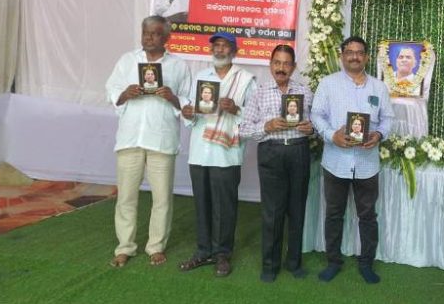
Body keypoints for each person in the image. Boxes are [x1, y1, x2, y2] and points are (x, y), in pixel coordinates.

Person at [105, 15, 191, 268]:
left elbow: (188, 103)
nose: (149, 38)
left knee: (162, 199)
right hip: (130, 139)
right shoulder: (127, 60)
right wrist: (124, 94)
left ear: (167, 37)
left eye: (155, 33)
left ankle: (156, 246)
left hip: (161, 140)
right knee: (126, 197)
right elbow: (111, 90)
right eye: (145, 33)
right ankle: (125, 247)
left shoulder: (178, 66)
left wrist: (172, 97)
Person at [311, 36, 394, 284]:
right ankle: (333, 262)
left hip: (367, 163)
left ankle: (366, 263)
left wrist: (378, 135)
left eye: (359, 52)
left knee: (368, 216)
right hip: (336, 161)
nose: (354, 56)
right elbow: (316, 114)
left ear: (366, 57)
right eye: (349, 52)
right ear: (342, 56)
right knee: (334, 214)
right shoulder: (328, 84)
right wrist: (331, 135)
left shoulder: (379, 88)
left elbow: (388, 118)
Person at [178, 31, 256, 277]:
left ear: (235, 51)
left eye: (225, 45)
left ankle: (222, 254)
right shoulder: (201, 77)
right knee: (202, 204)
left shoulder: (245, 79)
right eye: (216, 45)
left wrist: (236, 109)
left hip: (226, 153)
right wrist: (188, 113)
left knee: (225, 206)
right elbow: (191, 113)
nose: (220, 49)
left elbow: (255, 117)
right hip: (200, 151)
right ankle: (203, 251)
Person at [240, 44, 315, 283]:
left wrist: (310, 128)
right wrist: (267, 126)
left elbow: (315, 122)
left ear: (293, 67)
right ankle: (270, 266)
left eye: (286, 64)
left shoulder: (305, 91)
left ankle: (294, 263)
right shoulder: (259, 93)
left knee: (297, 209)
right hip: (271, 152)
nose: (281, 68)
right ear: (270, 65)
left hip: (298, 151)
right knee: (272, 212)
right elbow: (243, 129)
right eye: (277, 63)